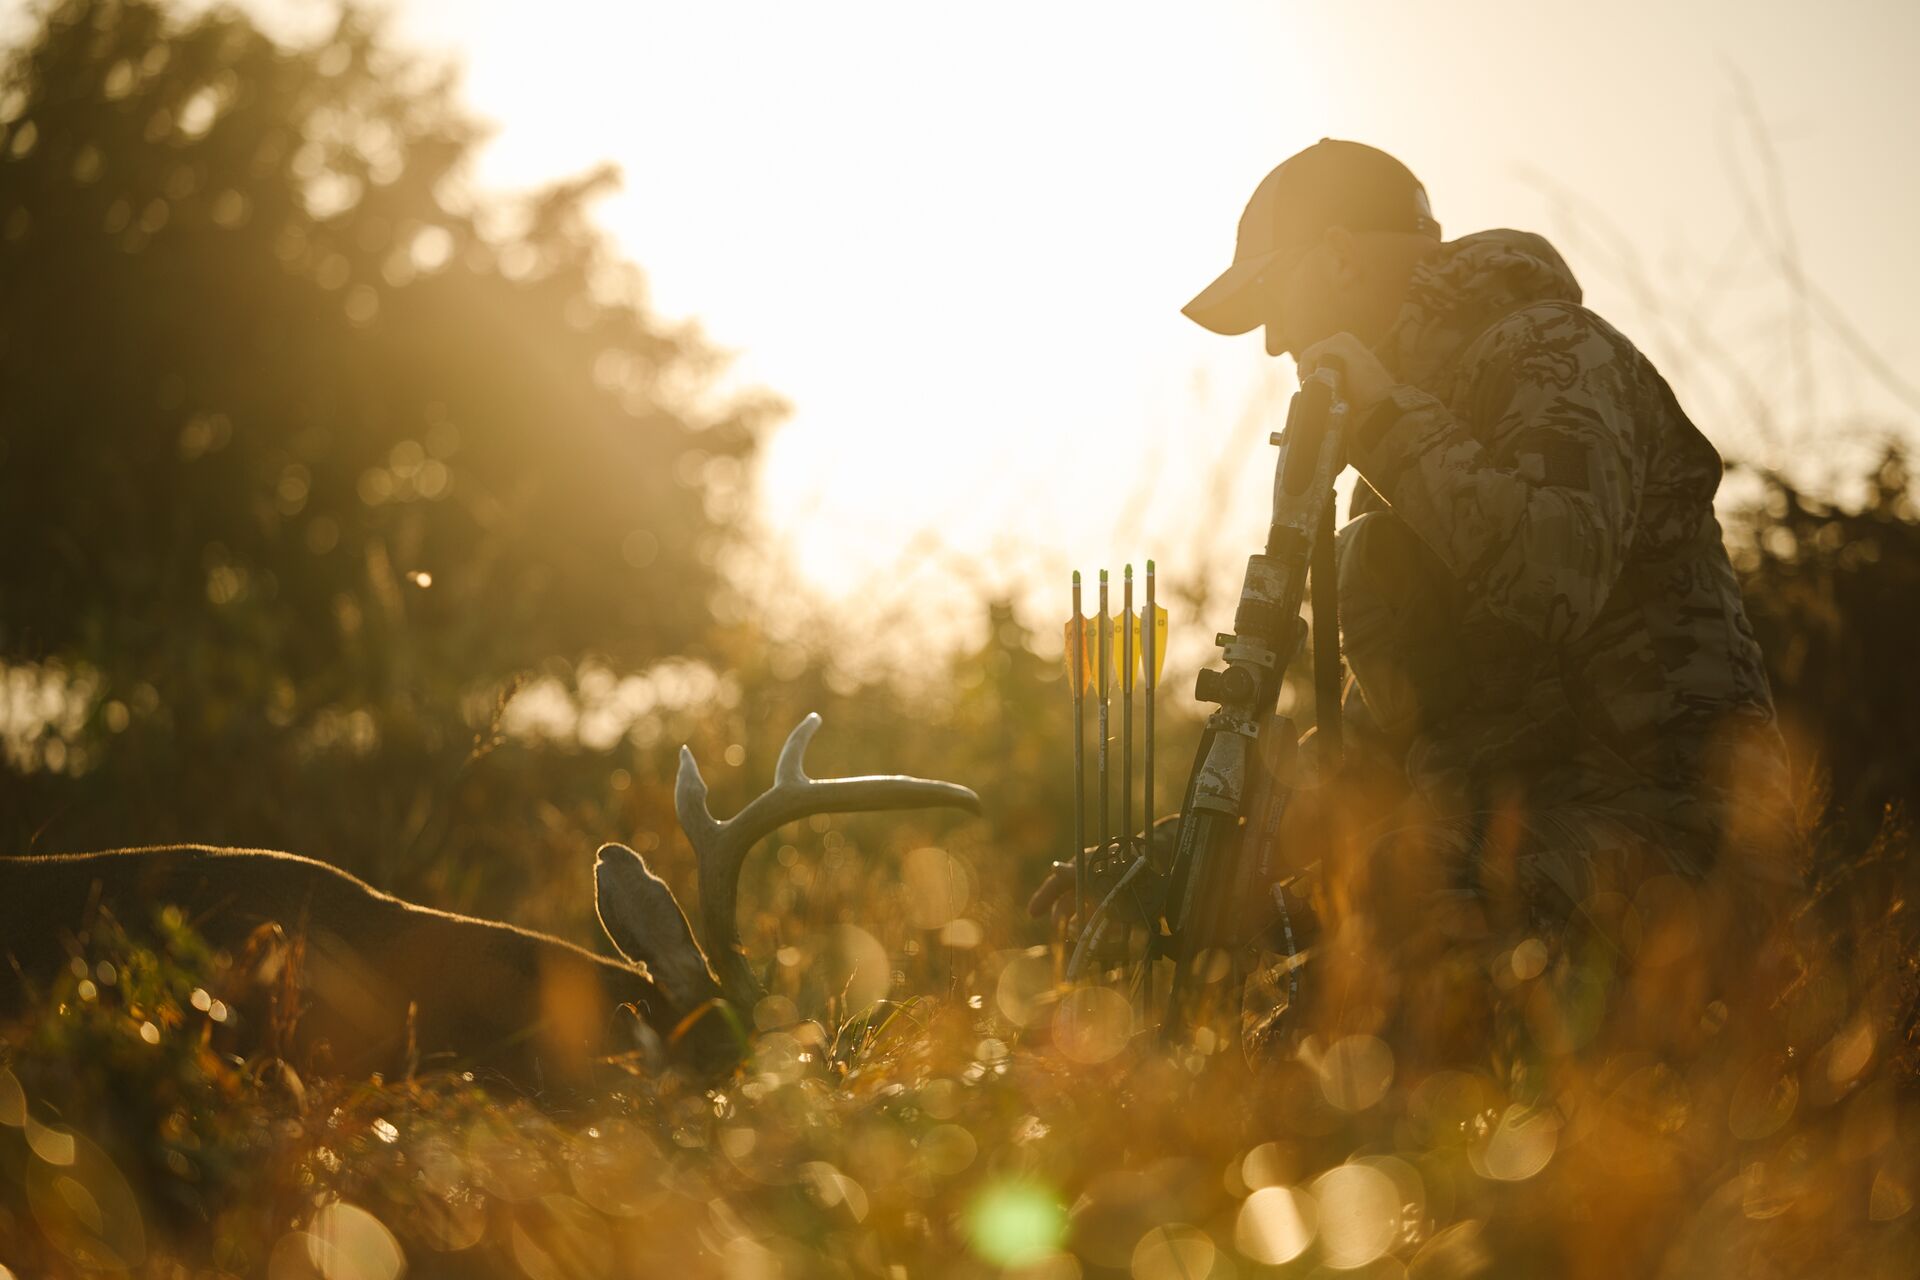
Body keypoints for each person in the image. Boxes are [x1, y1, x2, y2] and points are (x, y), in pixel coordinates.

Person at [1178, 140, 1802, 1049]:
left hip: (1666, 854)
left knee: (1338, 1037)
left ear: (1344, 256)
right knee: (1280, 1000)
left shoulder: (1553, 351)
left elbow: (1556, 576)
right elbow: (1385, 746)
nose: (1274, 340)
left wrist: (1389, 420)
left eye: (1277, 300)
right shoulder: (1410, 428)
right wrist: (1194, 868)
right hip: (1511, 861)